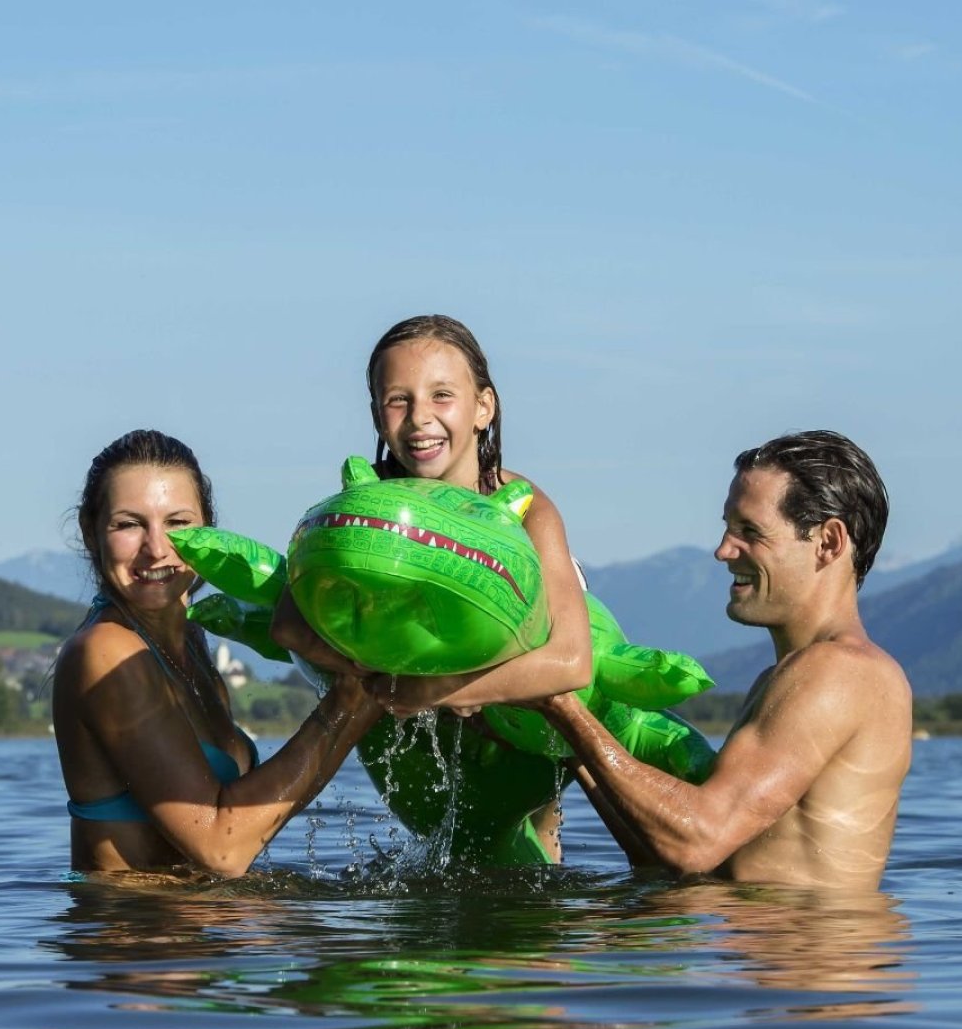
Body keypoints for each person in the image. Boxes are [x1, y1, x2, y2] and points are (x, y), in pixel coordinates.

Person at [270, 314, 594, 857]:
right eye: (398, 400)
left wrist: (439, 688)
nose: (420, 419)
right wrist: (389, 676)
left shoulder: (528, 510)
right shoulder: (370, 511)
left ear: (482, 407)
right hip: (414, 732)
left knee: (528, 872)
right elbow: (288, 624)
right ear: (377, 415)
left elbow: (572, 662)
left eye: (442, 395)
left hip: (519, 752)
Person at [537, 430, 912, 890]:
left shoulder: (839, 672)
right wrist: (566, 741)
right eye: (727, 528)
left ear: (829, 542)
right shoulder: (786, 676)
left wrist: (562, 705)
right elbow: (683, 863)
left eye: (749, 531)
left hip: (807, 955)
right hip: (756, 950)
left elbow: (697, 841)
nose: (723, 550)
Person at [52, 429, 384, 876]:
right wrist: (351, 703)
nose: (156, 548)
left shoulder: (189, 636)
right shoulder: (106, 650)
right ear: (91, 533)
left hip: (202, 937)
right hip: (133, 937)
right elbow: (220, 847)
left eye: (178, 523)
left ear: (208, 528)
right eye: (129, 524)